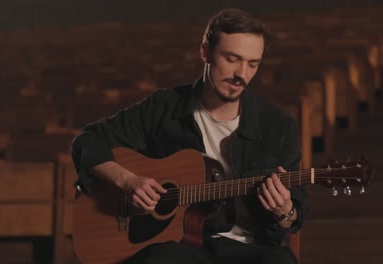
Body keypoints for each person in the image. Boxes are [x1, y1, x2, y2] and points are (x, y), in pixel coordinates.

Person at [71, 8, 306, 264]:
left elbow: (294, 215)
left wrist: (285, 210)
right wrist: (128, 181)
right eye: (232, 59)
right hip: (181, 247)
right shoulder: (163, 107)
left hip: (253, 250)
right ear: (205, 52)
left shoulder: (278, 126)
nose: (242, 74)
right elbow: (88, 141)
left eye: (252, 64)